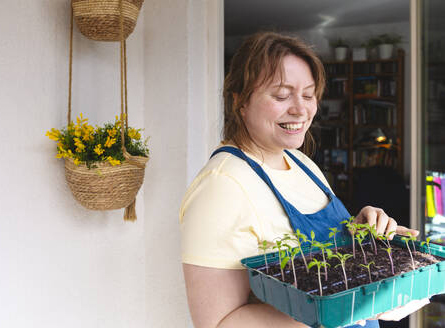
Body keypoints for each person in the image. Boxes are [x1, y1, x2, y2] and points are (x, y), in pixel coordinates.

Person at [179, 32, 427, 328]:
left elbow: (328, 258)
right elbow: (217, 322)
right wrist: (347, 306)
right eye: (282, 95)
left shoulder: (300, 162)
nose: (301, 109)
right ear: (240, 101)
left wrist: (359, 233)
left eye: (308, 95)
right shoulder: (222, 187)